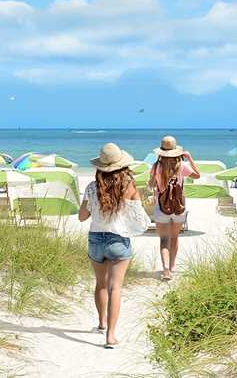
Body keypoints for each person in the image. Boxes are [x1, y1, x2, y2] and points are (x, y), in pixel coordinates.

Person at [78, 143, 150, 349]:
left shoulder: (92, 188)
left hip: (96, 239)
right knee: (115, 287)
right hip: (118, 240)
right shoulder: (129, 186)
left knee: (100, 284)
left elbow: (82, 217)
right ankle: (110, 335)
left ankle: (101, 323)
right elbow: (141, 218)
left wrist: (91, 204)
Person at [148, 136, 201, 280]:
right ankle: (172, 266)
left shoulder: (156, 167)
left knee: (164, 239)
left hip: (161, 207)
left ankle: (165, 269)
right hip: (179, 207)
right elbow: (197, 175)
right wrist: (189, 158)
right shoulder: (182, 166)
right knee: (175, 237)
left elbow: (152, 185)